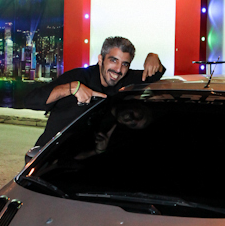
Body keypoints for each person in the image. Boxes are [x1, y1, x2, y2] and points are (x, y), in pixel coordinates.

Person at [24, 36, 165, 156]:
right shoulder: (78, 77)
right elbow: (30, 100)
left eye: (124, 64)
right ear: (101, 59)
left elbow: (154, 74)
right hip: (51, 157)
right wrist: (71, 88)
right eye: (113, 60)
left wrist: (153, 56)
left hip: (88, 159)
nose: (118, 69)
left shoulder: (125, 79)